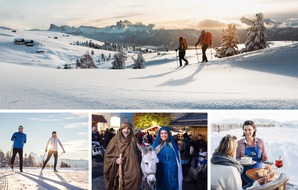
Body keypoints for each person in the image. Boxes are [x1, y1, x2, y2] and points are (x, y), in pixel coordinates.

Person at [104, 122, 141, 190]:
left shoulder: (134, 139)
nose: (126, 131)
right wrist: (116, 161)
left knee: (136, 177)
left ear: (131, 130)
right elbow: (108, 156)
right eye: (124, 128)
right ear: (121, 129)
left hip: (132, 167)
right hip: (119, 168)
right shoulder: (114, 140)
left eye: (128, 129)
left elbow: (139, 153)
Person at [236, 120, 268, 185]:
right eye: (245, 130)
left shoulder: (260, 142)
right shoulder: (239, 143)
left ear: (254, 129)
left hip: (258, 174)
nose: (247, 132)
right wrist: (242, 161)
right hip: (245, 174)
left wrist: (265, 158)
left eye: (249, 129)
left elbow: (264, 157)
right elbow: (237, 158)